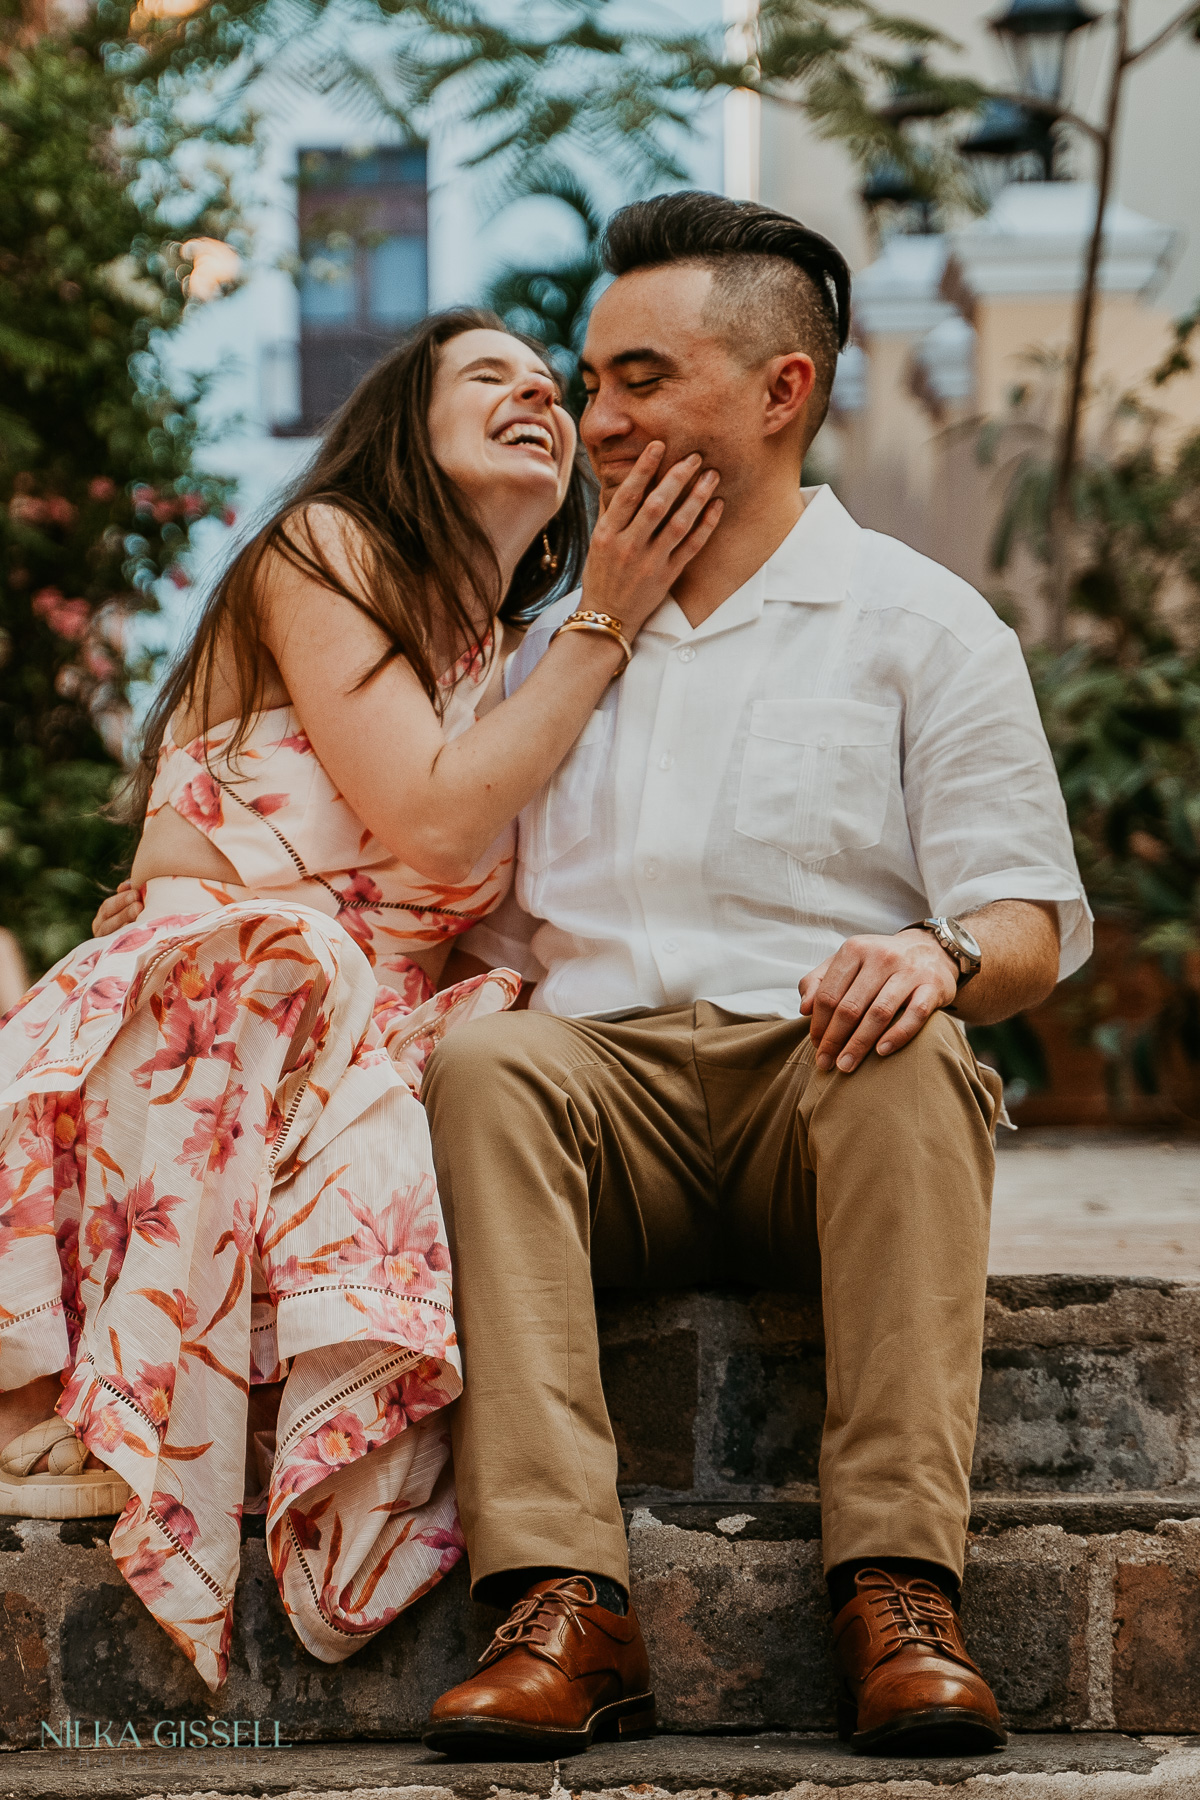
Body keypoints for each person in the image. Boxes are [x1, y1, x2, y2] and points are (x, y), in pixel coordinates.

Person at [416, 197, 1093, 1761]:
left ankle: (899, 1595)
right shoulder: (546, 651)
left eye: (641, 378)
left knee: (920, 1054)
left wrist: (931, 952)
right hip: (605, 1107)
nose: (596, 420)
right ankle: (563, 1607)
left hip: (824, 1091)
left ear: (781, 392)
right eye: (593, 382)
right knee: (485, 1064)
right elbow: (474, 909)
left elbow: (1033, 924)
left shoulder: (925, 625)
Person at [0, 307, 722, 1691]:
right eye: (486, 377)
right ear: (405, 428)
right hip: (200, 1018)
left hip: (341, 1042)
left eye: (547, 386)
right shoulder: (327, 547)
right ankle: (130, 1400)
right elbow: (439, 833)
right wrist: (614, 619)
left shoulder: (507, 661)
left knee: (497, 1043)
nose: (537, 394)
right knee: (305, 969)